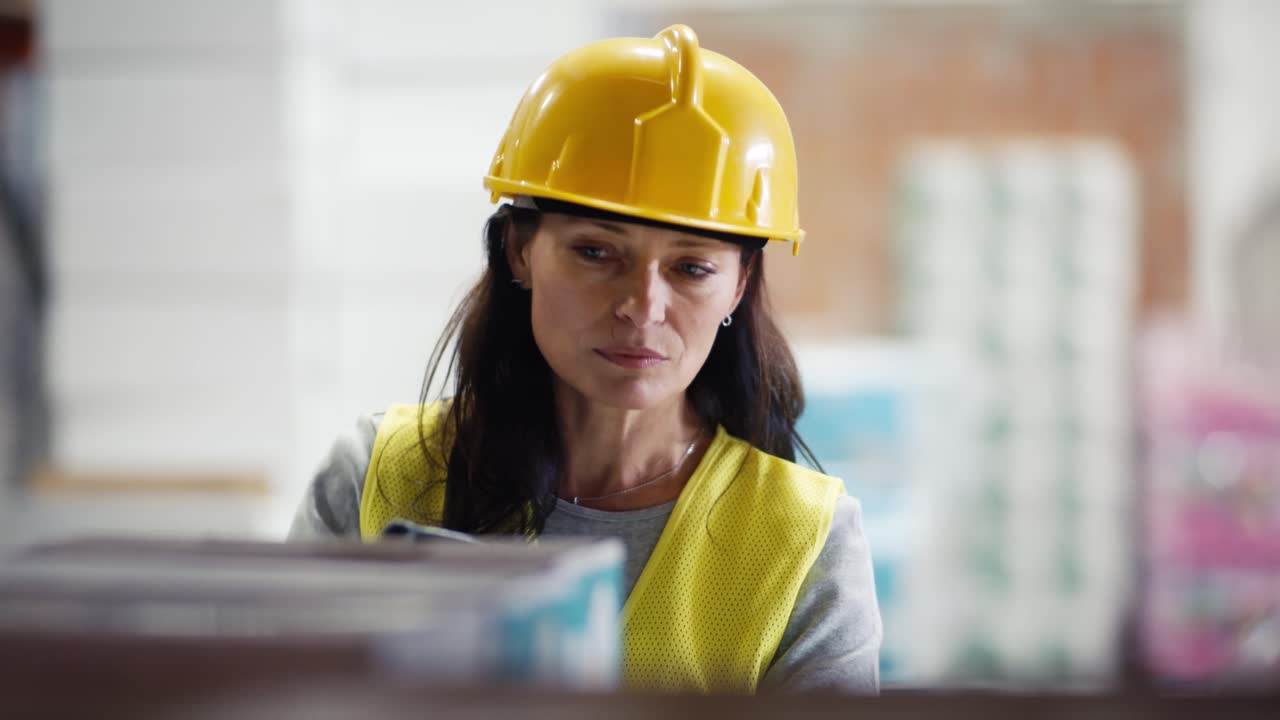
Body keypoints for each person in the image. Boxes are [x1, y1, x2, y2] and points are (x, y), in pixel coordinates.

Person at [289, 24, 882, 694]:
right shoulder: (378, 480)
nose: (642, 307)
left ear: (739, 286)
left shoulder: (805, 544)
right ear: (519, 252)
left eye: (691, 267)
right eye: (597, 252)